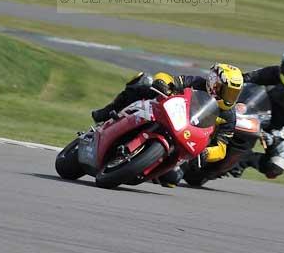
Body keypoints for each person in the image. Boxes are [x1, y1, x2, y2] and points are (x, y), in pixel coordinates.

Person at [91, 63, 244, 186]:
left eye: (234, 93)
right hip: (170, 115)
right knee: (142, 82)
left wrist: (207, 154)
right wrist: (162, 83)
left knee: (173, 178)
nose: (230, 97)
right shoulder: (197, 83)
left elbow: (222, 148)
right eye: (227, 91)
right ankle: (108, 112)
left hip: (188, 141)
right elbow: (172, 79)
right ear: (213, 83)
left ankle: (145, 169)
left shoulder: (229, 116)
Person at [231, 45, 284, 180]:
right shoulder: (272, 73)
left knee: (275, 168)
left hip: (280, 128)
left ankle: (245, 159)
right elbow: (246, 79)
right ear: (283, 65)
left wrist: (277, 135)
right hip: (256, 113)